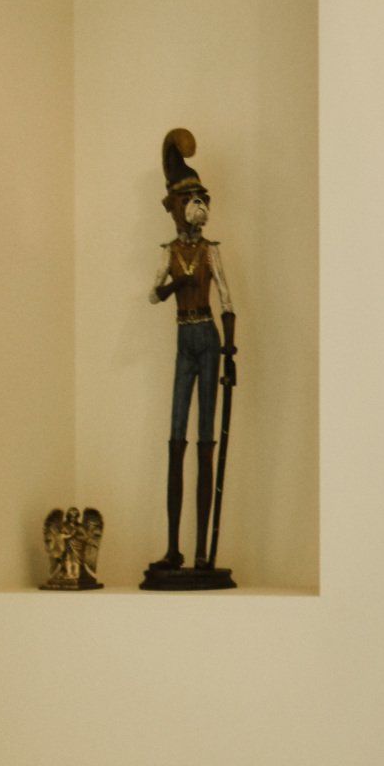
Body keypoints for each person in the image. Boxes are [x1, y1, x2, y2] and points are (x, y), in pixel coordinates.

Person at [146, 130, 235, 579]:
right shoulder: (169, 254)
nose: (196, 206)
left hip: (208, 338)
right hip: (185, 340)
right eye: (188, 199)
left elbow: (228, 302)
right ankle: (174, 549)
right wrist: (174, 286)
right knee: (175, 441)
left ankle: (202, 554)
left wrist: (231, 350)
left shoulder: (211, 253)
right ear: (174, 209)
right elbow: (153, 295)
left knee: (205, 442)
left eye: (201, 198)